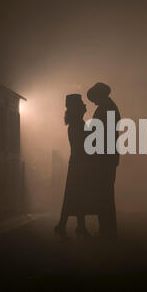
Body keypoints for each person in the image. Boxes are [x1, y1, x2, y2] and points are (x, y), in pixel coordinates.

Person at [54, 94, 93, 238]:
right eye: (81, 103)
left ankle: (68, 225)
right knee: (76, 194)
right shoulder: (78, 125)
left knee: (74, 195)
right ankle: (69, 225)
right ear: (77, 108)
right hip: (79, 164)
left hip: (76, 163)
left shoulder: (76, 124)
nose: (84, 105)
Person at [87, 83, 120, 240]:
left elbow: (98, 133)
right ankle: (108, 229)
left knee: (103, 194)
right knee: (107, 193)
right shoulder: (111, 107)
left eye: (93, 99)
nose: (93, 102)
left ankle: (106, 230)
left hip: (103, 158)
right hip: (109, 157)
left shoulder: (104, 109)